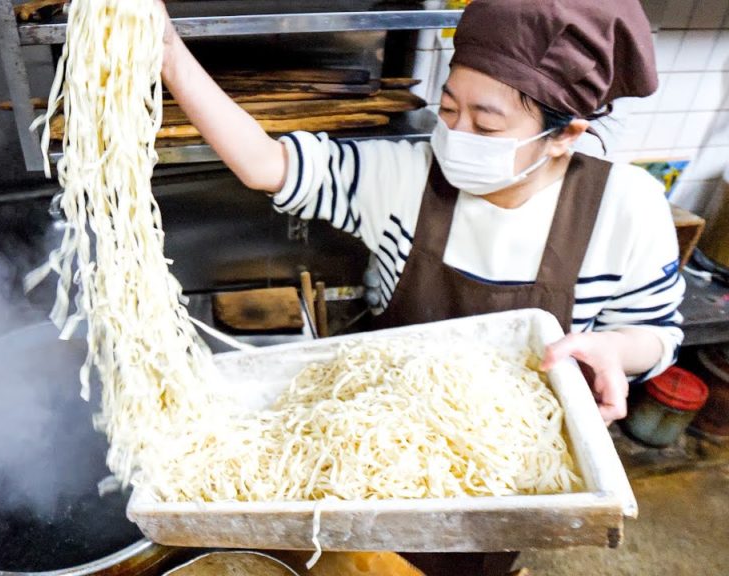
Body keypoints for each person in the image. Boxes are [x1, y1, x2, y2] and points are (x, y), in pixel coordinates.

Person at [158, 0, 684, 432]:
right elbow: (265, 164)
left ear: (565, 135)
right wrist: (169, 52)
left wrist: (613, 349)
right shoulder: (405, 176)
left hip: (520, 447)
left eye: (487, 126)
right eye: (449, 110)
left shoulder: (627, 208)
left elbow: (655, 334)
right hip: (382, 430)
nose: (456, 137)